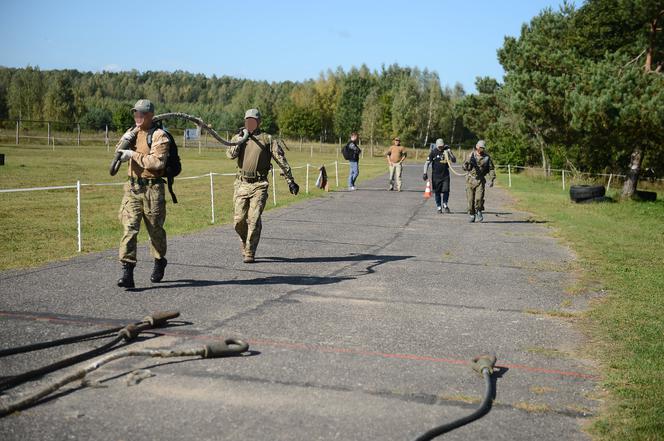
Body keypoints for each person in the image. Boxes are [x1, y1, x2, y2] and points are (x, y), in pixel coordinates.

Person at [227, 108, 299, 263]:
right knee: (238, 221)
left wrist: (290, 180)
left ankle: (250, 251)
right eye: (248, 120)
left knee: (254, 219)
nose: (250, 123)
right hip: (241, 183)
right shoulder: (239, 137)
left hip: (260, 184)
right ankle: (245, 241)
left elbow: (280, 159)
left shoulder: (267, 139)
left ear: (259, 122)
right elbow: (230, 155)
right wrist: (240, 140)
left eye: (253, 120)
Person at [116, 99, 169, 288]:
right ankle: (127, 271)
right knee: (129, 228)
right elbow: (117, 151)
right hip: (132, 189)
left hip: (152, 190)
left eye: (141, 114)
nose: (137, 116)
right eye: (135, 113)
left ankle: (159, 260)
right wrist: (124, 144)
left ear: (150, 115)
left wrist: (133, 155)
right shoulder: (132, 132)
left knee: (155, 231)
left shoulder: (159, 136)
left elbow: (157, 163)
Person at [463, 140, 496, 222]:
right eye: (480, 147)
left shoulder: (487, 157)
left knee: (479, 198)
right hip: (470, 180)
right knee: (470, 200)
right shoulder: (471, 155)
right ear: (477, 147)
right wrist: (466, 164)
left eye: (483, 148)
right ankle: (472, 214)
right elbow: (464, 167)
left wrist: (491, 179)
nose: (481, 149)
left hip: (480, 181)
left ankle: (479, 211)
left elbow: (491, 169)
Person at [423, 138, 456, 213]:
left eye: (442, 146)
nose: (441, 147)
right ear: (437, 146)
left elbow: (454, 160)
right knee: (437, 192)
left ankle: (445, 204)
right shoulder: (433, 152)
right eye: (439, 146)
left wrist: (450, 153)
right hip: (436, 176)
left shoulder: (446, 151)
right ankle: (438, 207)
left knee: (446, 191)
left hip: (445, 175)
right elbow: (427, 163)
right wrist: (425, 173)